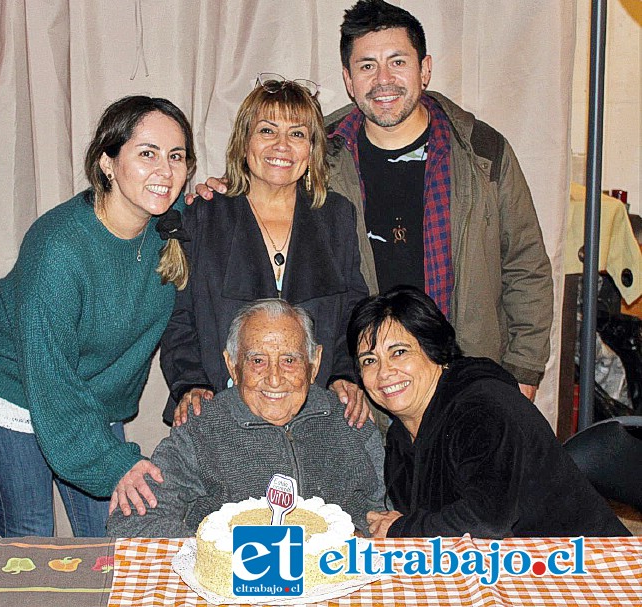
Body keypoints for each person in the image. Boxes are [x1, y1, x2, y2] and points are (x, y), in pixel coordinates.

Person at [193, 0, 553, 401]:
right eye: (367, 66)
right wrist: (227, 187)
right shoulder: (320, 152)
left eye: (397, 62)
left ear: (425, 69)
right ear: (348, 79)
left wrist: (524, 369)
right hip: (369, 386)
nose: (383, 80)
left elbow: (525, 265)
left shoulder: (482, 151)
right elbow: (266, 182)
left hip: (465, 374)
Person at [0, 95, 195, 537]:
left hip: (89, 399)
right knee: (31, 541)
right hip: (12, 392)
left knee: (108, 540)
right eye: (147, 154)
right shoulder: (58, 249)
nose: (165, 171)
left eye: (176, 156)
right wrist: (112, 462)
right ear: (108, 162)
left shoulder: (169, 224)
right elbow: (50, 380)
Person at [160, 74, 370, 428]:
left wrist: (346, 374)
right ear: (245, 143)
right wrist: (190, 384)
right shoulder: (202, 216)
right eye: (268, 131)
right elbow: (177, 317)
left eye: (297, 134)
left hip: (315, 415)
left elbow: (353, 310)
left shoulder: (336, 216)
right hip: (223, 413)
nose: (282, 146)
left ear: (313, 149)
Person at [347, 286, 630, 538]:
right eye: (370, 360)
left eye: (399, 352)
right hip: (505, 570)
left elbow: (488, 519)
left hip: (585, 567)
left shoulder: (482, 408)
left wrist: (401, 529)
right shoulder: (401, 435)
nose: (384, 372)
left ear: (434, 350)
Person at [108, 299, 386, 537]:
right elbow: (133, 521)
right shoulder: (203, 428)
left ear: (314, 364)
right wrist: (217, 553)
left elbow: (389, 510)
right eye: (257, 361)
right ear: (233, 365)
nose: (275, 378)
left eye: (290, 360)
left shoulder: (350, 419)